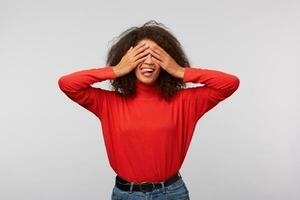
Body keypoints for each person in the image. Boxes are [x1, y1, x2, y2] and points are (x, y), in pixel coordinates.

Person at [58, 20, 240, 200]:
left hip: (171, 193)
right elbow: (67, 84)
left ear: (167, 59)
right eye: (141, 54)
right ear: (127, 58)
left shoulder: (185, 102)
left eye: (157, 55)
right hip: (126, 194)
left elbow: (230, 83)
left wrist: (179, 70)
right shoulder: (109, 103)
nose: (149, 61)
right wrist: (116, 70)